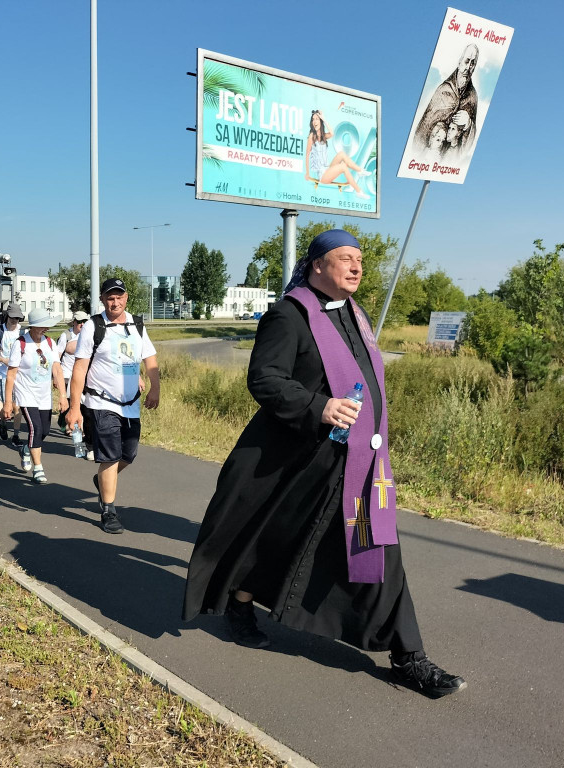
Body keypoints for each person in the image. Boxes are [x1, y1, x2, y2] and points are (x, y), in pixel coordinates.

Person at [182, 230, 466, 699]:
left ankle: (408, 658)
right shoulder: (289, 315)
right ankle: (240, 603)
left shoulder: (356, 315)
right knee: (276, 540)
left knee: (381, 550)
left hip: (360, 465)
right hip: (303, 463)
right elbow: (265, 379)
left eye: (359, 260)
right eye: (345, 259)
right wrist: (319, 407)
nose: (356, 267)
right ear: (317, 265)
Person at [66, 277, 160, 534]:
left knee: (128, 454)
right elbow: (80, 368)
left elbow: (149, 358)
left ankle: (103, 479)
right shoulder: (93, 326)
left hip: (130, 404)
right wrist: (75, 408)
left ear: (126, 298)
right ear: (103, 300)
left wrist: (155, 388)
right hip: (101, 401)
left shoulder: (136, 324)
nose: (115, 301)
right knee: (110, 455)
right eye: (110, 297)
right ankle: (109, 511)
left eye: (119, 296)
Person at [3, 308, 67, 484]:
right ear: (32, 326)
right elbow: (11, 374)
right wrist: (8, 402)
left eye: (47, 326)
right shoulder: (21, 343)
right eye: (42, 326)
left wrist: (63, 395)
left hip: (44, 395)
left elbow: (57, 369)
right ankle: (38, 468)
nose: (45, 329)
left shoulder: (50, 343)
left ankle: (26, 448)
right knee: (36, 429)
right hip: (26, 394)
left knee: (44, 431)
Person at [412, 44, 480, 154]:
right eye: (466, 61)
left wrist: (468, 123)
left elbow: (470, 141)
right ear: (459, 62)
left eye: (473, 63)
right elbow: (424, 127)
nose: (468, 67)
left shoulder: (472, 96)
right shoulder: (443, 90)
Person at [304, 110, 370, 197]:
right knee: (343, 166)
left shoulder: (323, 136)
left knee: (341, 154)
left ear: (320, 121)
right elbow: (307, 154)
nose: (315, 121)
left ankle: (360, 171)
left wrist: (324, 119)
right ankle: (358, 191)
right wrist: (307, 173)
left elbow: (332, 133)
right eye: (313, 119)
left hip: (327, 169)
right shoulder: (312, 136)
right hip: (322, 175)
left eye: (317, 119)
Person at [0, 303, 25, 446]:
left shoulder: (22, 332)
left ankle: (16, 435)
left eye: (18, 318)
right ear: (7, 316)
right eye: (12, 317)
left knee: (18, 406)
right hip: (3, 374)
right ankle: (3, 423)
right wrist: (3, 359)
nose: (15, 320)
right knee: (7, 406)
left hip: (19, 375)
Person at [55, 310, 89, 432]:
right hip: (66, 373)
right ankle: (67, 425)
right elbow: (57, 356)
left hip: (79, 374)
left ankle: (74, 425)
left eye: (85, 321)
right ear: (74, 322)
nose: (82, 324)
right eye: (80, 322)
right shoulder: (66, 335)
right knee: (68, 401)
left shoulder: (86, 335)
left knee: (78, 400)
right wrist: (55, 376)